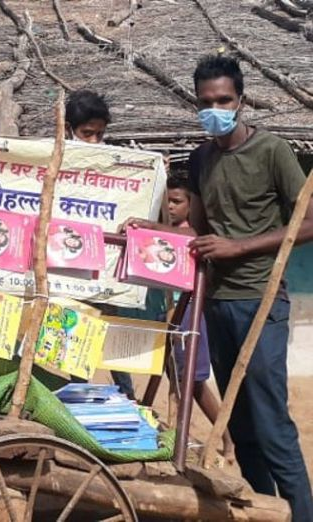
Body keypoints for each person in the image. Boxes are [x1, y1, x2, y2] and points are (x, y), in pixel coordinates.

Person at [124, 55, 313, 520]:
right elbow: (200, 233)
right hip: (216, 302)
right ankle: (265, 509)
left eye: (224, 100)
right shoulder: (201, 158)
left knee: (271, 423)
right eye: (206, 102)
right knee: (239, 424)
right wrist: (148, 230)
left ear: (241, 101)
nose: (215, 108)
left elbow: (308, 221)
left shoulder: (272, 151)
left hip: (260, 299)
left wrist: (239, 247)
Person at [65, 90, 136, 400]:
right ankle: (80, 402)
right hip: (67, 271)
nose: (94, 141)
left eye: (100, 134)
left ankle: (128, 401)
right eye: (87, 134)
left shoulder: (115, 165)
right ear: (69, 128)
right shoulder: (55, 158)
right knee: (76, 339)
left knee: (113, 342)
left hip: (104, 268)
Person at [166, 173, 235, 463]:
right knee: (182, 380)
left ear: (191, 204)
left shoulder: (191, 232)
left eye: (177, 201)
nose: (170, 207)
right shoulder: (168, 228)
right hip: (172, 309)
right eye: (167, 201)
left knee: (191, 382)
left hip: (191, 311)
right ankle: (190, 436)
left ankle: (226, 441)